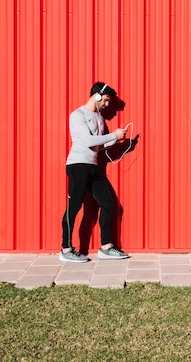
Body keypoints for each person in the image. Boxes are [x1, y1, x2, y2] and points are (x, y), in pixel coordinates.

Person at [60, 82, 131, 262]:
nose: (107, 105)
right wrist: (113, 135)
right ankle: (66, 249)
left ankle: (106, 247)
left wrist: (120, 140)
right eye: (106, 100)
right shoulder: (77, 115)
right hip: (77, 165)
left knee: (108, 203)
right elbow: (88, 140)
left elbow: (100, 145)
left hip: (92, 166)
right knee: (74, 207)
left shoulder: (99, 118)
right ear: (97, 96)